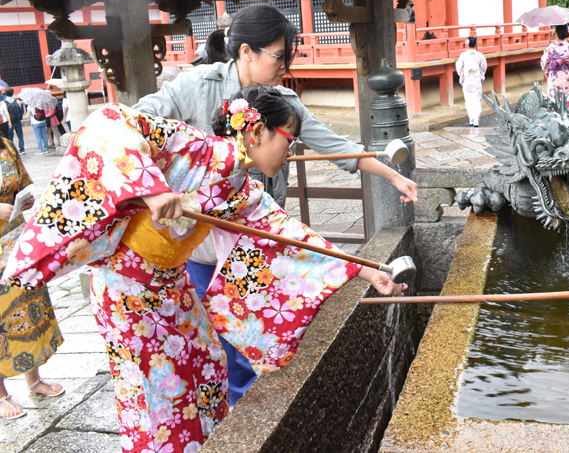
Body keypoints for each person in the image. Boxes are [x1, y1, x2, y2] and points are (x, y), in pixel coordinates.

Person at [1, 86, 405, 450]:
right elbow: (105, 121)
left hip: (171, 283)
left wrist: (366, 270)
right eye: (289, 139)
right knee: (156, 393)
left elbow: (294, 237)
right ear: (257, 131)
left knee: (209, 364)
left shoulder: (241, 189)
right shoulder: (190, 144)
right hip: (126, 290)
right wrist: (150, 187)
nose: (292, 150)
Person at [133, 3, 418, 405]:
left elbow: (290, 219)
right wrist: (153, 188)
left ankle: (245, 408)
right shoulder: (196, 92)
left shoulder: (273, 123)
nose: (287, 65)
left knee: (251, 328)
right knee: (203, 350)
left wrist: (367, 266)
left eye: (291, 56)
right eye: (280, 55)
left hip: (251, 240)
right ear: (246, 52)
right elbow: (130, 127)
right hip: (189, 252)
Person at [0, 131, 64, 419]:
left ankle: (34, 380)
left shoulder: (5, 144)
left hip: (15, 243)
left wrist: (24, 201)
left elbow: (22, 184)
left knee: (29, 309)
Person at [541, 24, 569, 109]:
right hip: (566, 78)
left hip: (554, 78)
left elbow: (543, 63)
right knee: (567, 98)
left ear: (556, 34)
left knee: (553, 99)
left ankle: (554, 118)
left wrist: (549, 66)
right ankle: (567, 117)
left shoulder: (550, 47)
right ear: (566, 34)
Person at [455, 36, 488, 127]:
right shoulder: (479, 55)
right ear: (475, 44)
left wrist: (462, 75)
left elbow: (459, 67)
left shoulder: (463, 55)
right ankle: (476, 119)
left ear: (467, 44)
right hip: (476, 79)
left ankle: (471, 119)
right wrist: (482, 74)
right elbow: (484, 66)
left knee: (468, 99)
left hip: (467, 79)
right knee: (477, 99)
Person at [5, 89, 24, 154]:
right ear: (13, 93)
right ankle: (22, 149)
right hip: (18, 121)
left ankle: (11, 150)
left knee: (10, 137)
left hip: (9, 122)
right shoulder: (17, 101)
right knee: (20, 136)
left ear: (5, 93)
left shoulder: (4, 102)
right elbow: (20, 110)